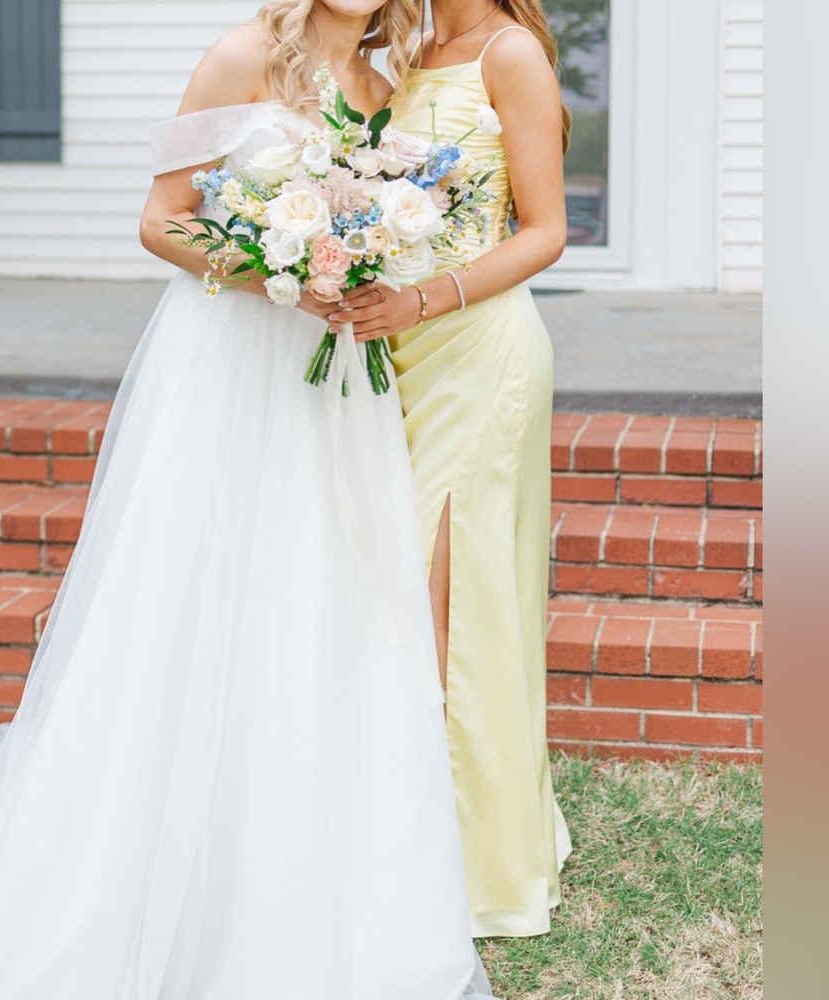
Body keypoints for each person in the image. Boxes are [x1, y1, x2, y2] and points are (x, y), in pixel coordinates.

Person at [0, 3, 495, 998]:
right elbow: (160, 217)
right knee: (190, 594)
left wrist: (369, 272)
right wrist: (278, 273)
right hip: (228, 363)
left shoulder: (385, 95)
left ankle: (305, 907)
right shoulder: (241, 55)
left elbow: (395, 224)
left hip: (336, 375)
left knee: (329, 598)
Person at [333, 0, 574, 938]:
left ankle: (465, 864)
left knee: (450, 598)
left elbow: (546, 230)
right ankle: (390, 833)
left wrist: (425, 297)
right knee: (389, 581)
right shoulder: (408, 49)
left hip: (480, 353)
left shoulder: (511, 54)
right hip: (400, 355)